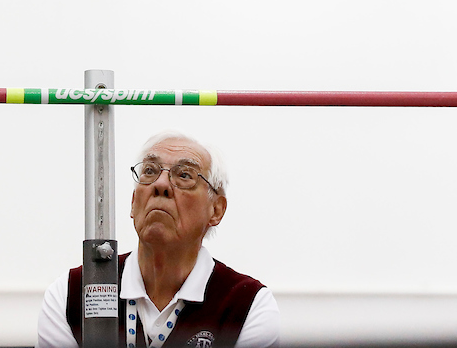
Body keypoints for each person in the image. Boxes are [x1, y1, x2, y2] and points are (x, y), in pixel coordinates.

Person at [37, 132, 279, 348]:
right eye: (150, 171)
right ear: (133, 202)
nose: (161, 184)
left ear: (216, 210)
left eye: (184, 175)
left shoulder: (247, 305)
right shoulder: (71, 294)